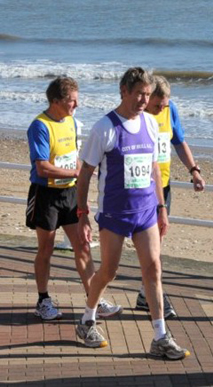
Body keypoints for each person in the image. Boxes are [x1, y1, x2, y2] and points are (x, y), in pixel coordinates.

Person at [74, 67, 190, 360]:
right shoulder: (105, 128)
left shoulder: (151, 124)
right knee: (109, 271)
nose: (143, 99)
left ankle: (160, 336)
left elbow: (154, 170)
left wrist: (161, 207)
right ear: (123, 91)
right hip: (115, 214)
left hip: (146, 212)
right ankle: (87, 319)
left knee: (153, 268)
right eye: (139, 93)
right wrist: (82, 213)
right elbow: (85, 172)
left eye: (147, 94)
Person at [26, 76, 122, 321]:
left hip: (69, 194)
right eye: (72, 101)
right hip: (45, 195)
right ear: (56, 100)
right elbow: (42, 168)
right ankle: (43, 300)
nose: (76, 106)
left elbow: (74, 157)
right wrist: (76, 173)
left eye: (77, 101)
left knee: (82, 245)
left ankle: (95, 299)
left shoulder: (72, 122)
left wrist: (81, 188)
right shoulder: (39, 126)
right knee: (45, 248)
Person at [134, 75, 205, 319]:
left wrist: (194, 170)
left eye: (165, 105)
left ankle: (148, 293)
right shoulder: (137, 115)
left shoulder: (169, 109)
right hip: (138, 188)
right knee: (136, 246)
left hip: (162, 187)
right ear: (146, 97)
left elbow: (178, 141)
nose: (161, 109)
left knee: (157, 243)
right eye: (158, 106)